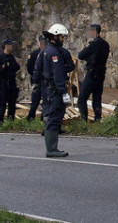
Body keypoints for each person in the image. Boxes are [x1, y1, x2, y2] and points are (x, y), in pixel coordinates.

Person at [35, 23, 75, 157]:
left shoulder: (45, 51)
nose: (63, 39)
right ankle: (51, 149)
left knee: (51, 116)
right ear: (55, 36)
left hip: (47, 88)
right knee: (54, 117)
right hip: (54, 90)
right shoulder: (54, 54)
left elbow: (37, 70)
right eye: (62, 37)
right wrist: (63, 92)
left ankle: (52, 147)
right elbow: (58, 74)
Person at [77, 24, 110, 122]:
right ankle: (98, 118)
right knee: (97, 97)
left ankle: (83, 120)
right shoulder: (105, 44)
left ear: (95, 31)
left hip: (92, 73)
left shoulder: (93, 44)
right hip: (101, 74)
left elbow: (81, 55)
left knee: (82, 98)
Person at [0, 39, 20, 121]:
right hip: (4, 83)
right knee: (2, 104)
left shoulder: (11, 57)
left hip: (12, 82)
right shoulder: (1, 57)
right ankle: (0, 121)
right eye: (10, 45)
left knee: (12, 104)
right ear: (6, 46)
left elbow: (17, 67)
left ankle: (11, 120)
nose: (12, 46)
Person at [26, 36, 46, 121]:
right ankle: (30, 118)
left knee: (45, 100)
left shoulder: (47, 53)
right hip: (37, 80)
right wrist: (35, 77)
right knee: (35, 101)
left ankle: (43, 118)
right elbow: (29, 67)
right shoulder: (34, 54)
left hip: (45, 80)